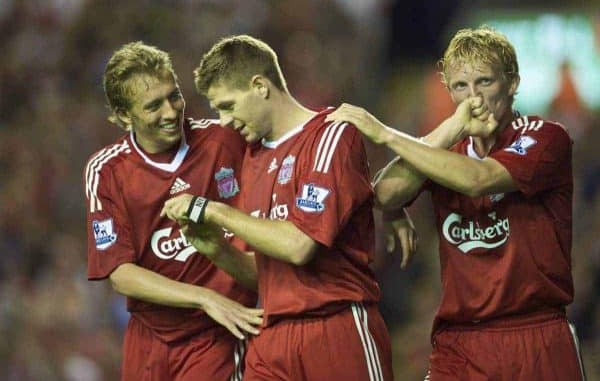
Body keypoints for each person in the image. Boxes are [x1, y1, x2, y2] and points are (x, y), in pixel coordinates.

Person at [326, 26, 586, 380]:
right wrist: (447, 132)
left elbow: (477, 179)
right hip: (461, 342)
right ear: (448, 91)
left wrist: (386, 134)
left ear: (512, 83)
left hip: (535, 334)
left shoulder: (545, 137)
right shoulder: (444, 150)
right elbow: (384, 193)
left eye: (485, 82)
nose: (474, 99)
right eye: (461, 86)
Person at [160, 35, 405, 380]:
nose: (224, 121)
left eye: (228, 105)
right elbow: (266, 275)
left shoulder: (330, 135)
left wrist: (214, 210)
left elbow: (298, 246)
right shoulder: (253, 158)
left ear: (260, 86)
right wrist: (217, 248)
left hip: (335, 330)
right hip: (273, 336)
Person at [84, 41, 262, 381]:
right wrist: (203, 297)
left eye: (173, 96)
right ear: (124, 116)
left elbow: (289, 153)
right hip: (149, 337)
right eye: (153, 106)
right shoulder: (106, 171)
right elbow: (120, 274)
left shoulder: (226, 139)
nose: (170, 112)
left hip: (220, 331)